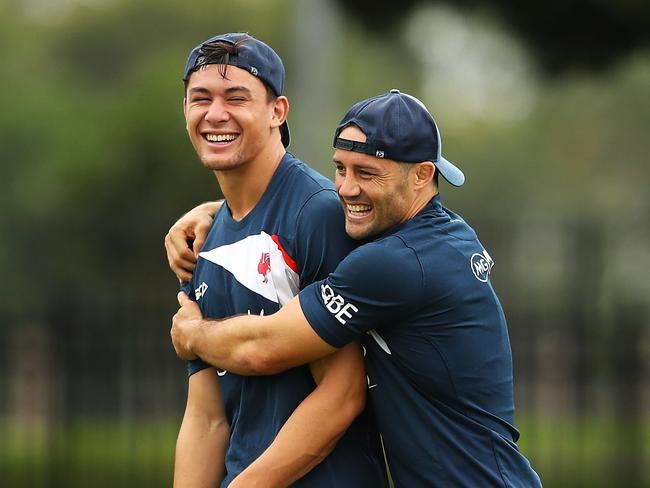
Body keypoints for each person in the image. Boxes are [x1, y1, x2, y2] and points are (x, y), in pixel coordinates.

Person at [168, 89, 543, 487]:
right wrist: (220, 209)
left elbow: (262, 347)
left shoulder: (395, 262)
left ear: (422, 175)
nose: (346, 189)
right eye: (341, 168)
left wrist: (191, 335)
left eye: (366, 173)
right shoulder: (442, 234)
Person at [169, 32, 387, 488]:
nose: (215, 114)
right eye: (200, 98)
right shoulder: (201, 240)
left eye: (236, 97)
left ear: (277, 111)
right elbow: (206, 417)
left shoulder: (319, 212)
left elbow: (343, 392)